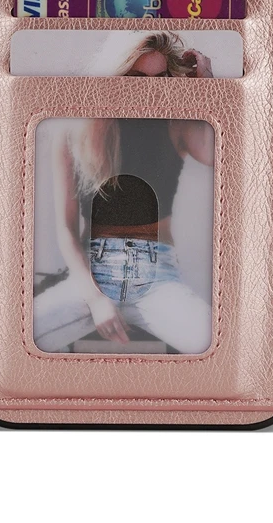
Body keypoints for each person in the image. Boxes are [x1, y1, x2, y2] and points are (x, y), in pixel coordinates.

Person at [33, 32, 214, 354]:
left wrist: (208, 86)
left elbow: (221, 153)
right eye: (136, 78)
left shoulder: (176, 126)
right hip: (93, 277)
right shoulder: (74, 132)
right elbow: (66, 230)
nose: (148, 90)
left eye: (160, 79)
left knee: (219, 344)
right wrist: (96, 300)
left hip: (157, 279)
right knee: (15, 337)